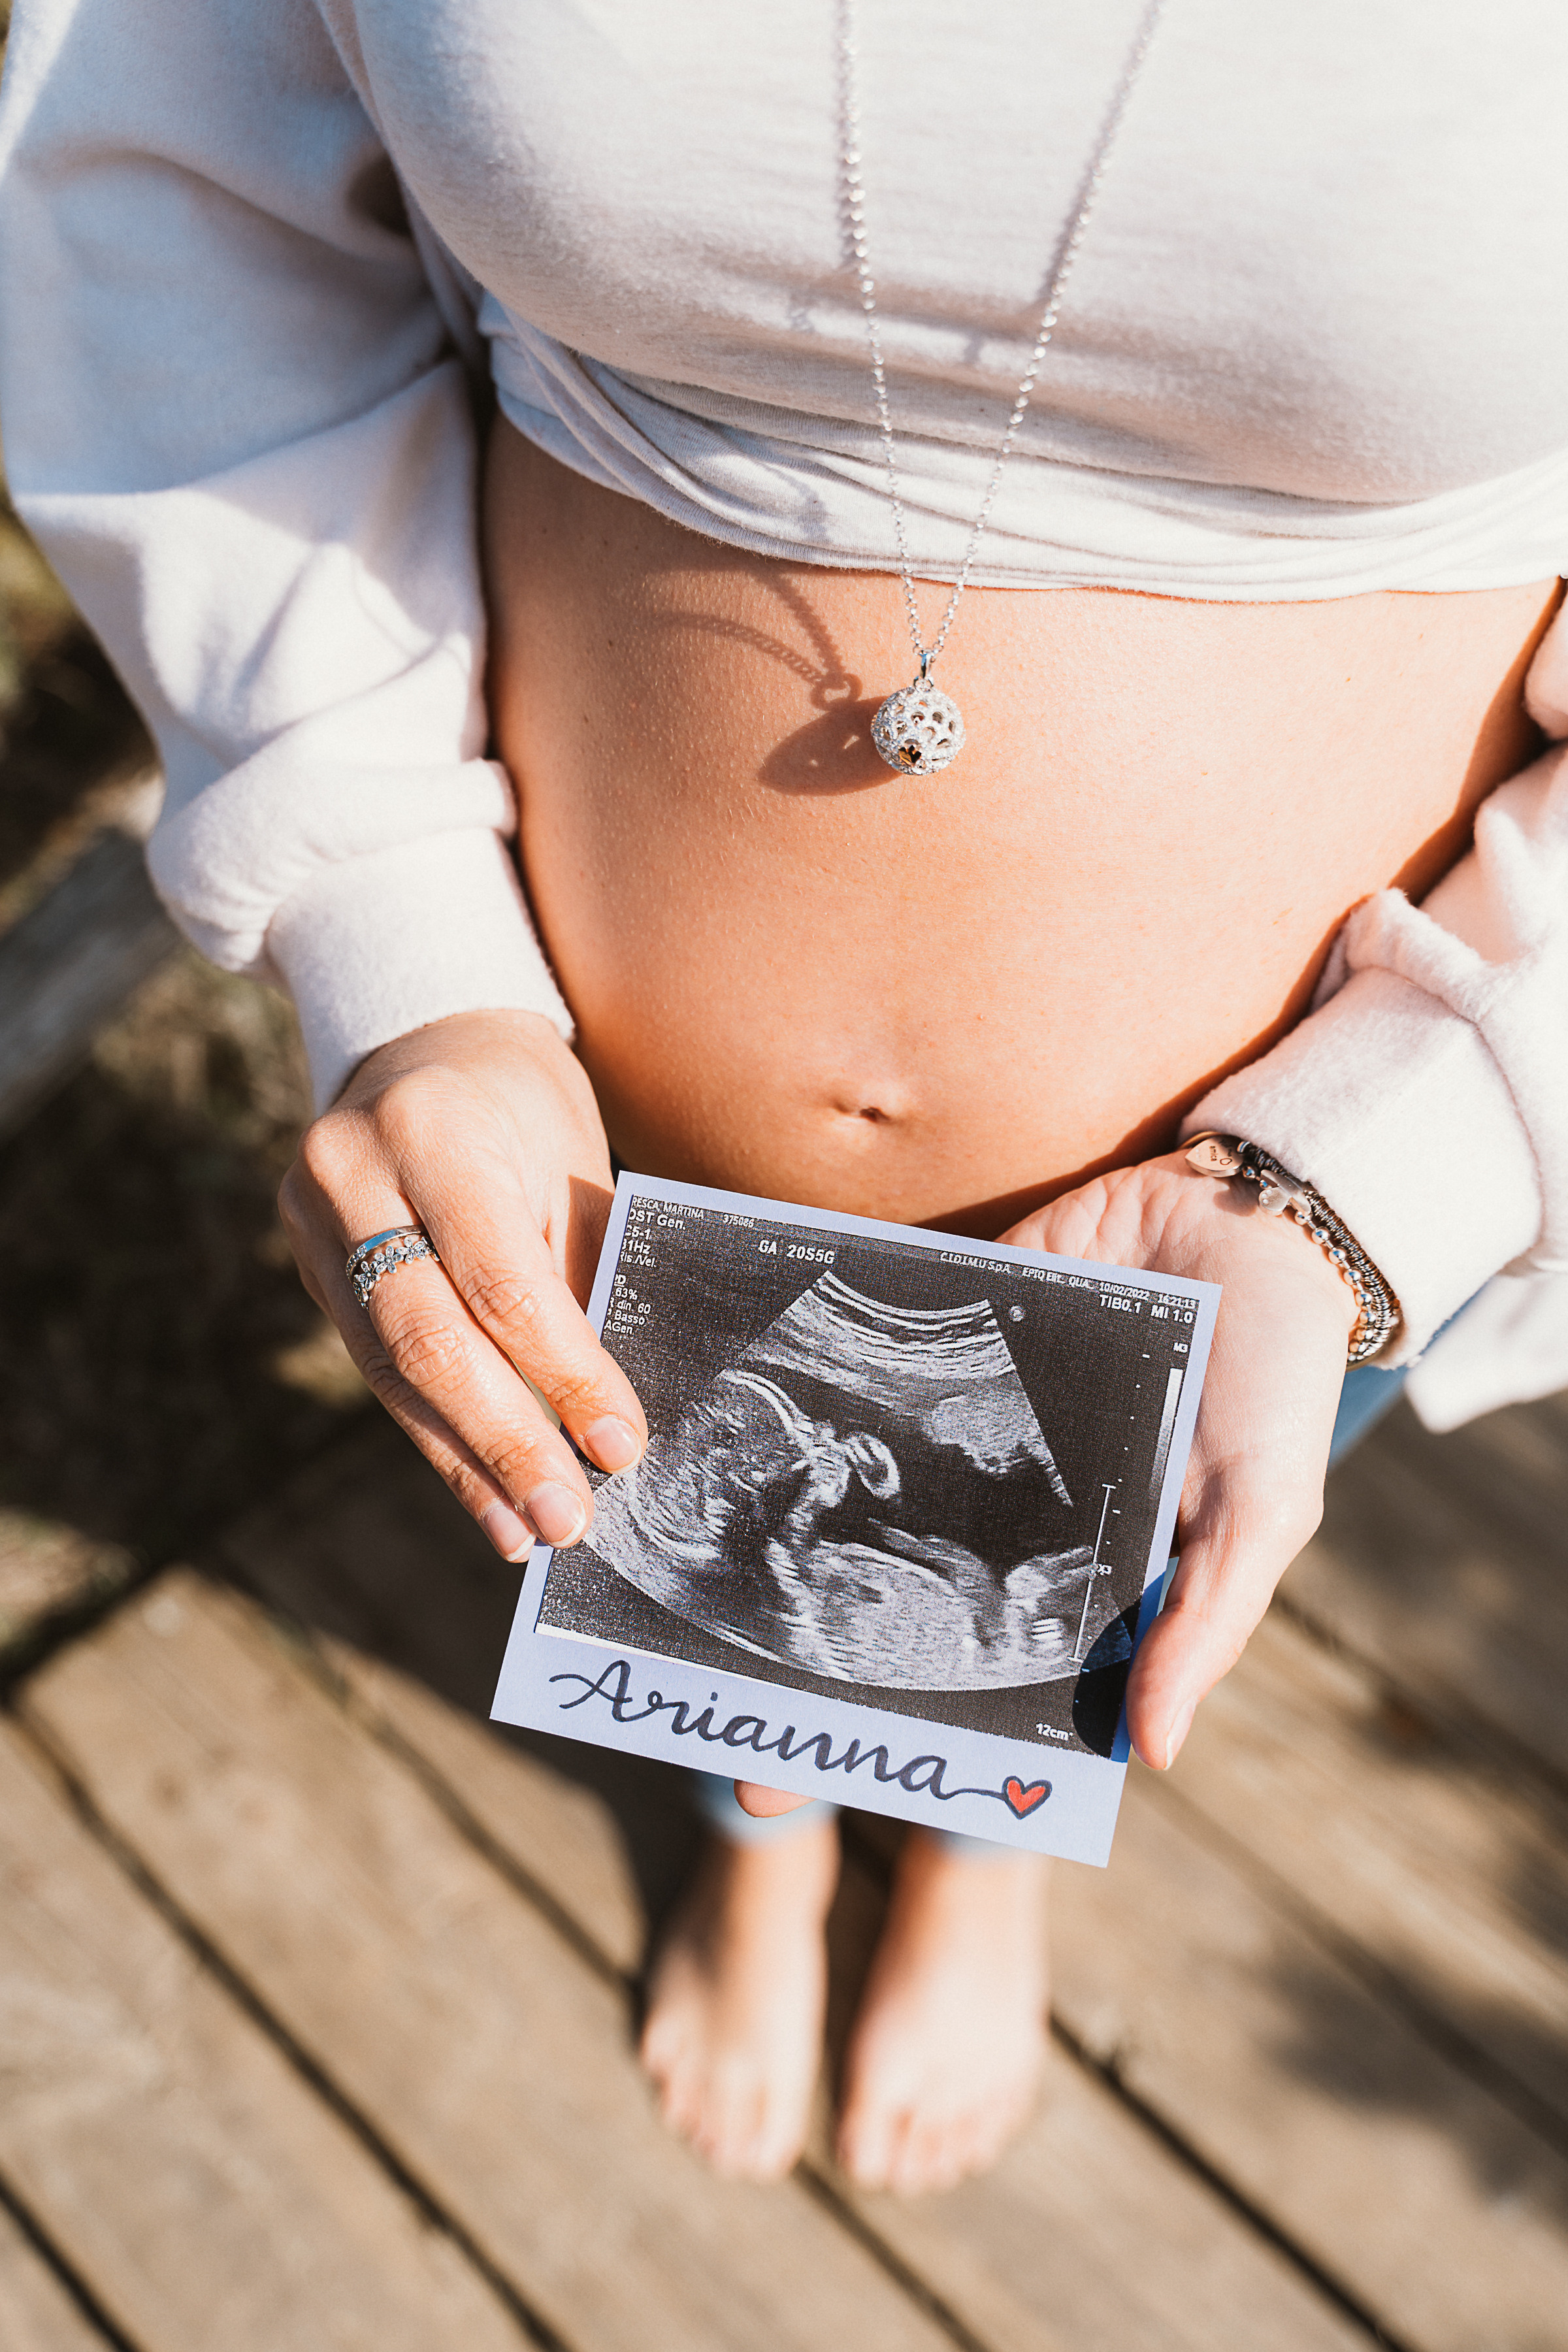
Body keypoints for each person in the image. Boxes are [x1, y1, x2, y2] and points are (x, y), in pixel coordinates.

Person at [3, 0, 1567, 2197]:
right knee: (703, 1559)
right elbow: (155, 195)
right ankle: (765, 1816)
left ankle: (980, 1838)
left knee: (1096, 1611)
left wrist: (1394, 1158)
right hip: (590, 1155)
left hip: (1293, 1217)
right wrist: (401, 958)